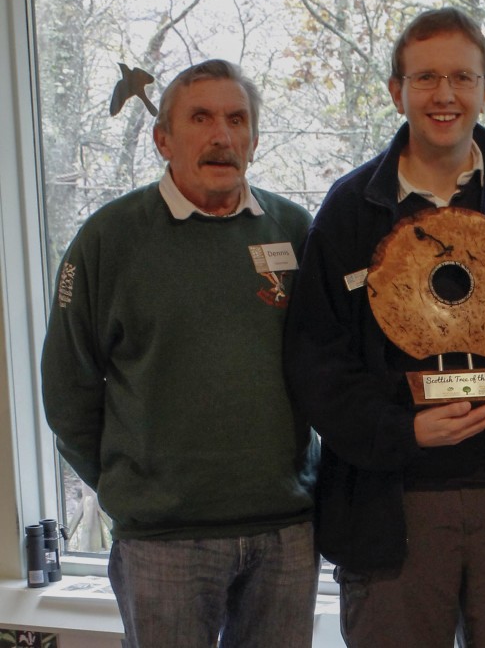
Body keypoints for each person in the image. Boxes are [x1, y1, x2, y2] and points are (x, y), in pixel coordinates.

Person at [282, 7, 485, 648]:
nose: (444, 95)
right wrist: (403, 429)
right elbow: (316, 362)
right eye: (424, 79)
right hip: (391, 509)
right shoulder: (349, 210)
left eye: (462, 78)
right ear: (396, 92)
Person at [40, 59, 319, 648]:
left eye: (236, 119)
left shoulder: (293, 229)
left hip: (285, 536)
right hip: (163, 543)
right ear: (163, 138)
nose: (222, 135)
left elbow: (329, 365)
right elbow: (68, 392)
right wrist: (129, 487)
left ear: (255, 138)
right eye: (201, 118)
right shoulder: (109, 240)